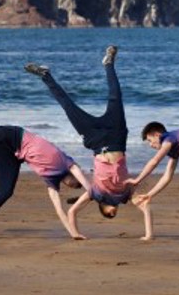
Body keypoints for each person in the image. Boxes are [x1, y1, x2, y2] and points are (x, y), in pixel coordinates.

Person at [25, 46, 152, 240]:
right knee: (116, 96)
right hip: (117, 138)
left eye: (109, 214)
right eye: (115, 213)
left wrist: (75, 234)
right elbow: (144, 206)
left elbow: (72, 212)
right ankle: (109, 64)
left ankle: (45, 75)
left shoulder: (95, 194)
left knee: (67, 105)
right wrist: (148, 235)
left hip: (94, 141)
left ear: (102, 209)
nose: (114, 212)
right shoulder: (126, 196)